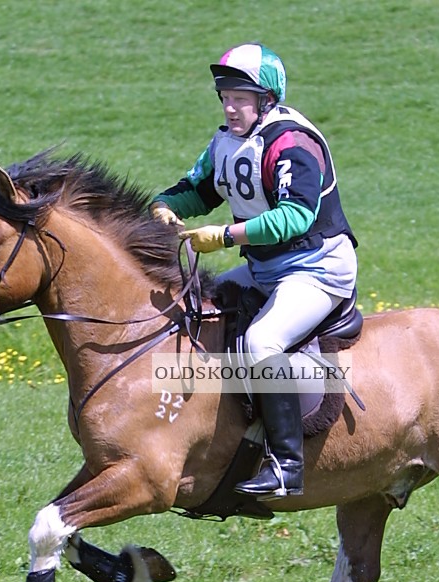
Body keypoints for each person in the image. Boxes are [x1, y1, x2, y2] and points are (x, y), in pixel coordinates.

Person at [151, 42, 358, 499]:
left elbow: (296, 217)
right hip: (267, 269)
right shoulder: (226, 140)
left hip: (317, 268)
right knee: (199, 313)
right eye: (225, 95)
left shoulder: (292, 142)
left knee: (262, 341)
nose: (229, 105)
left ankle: (287, 465)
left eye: (240, 97)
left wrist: (225, 236)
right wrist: (165, 207)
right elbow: (196, 190)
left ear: (266, 100)